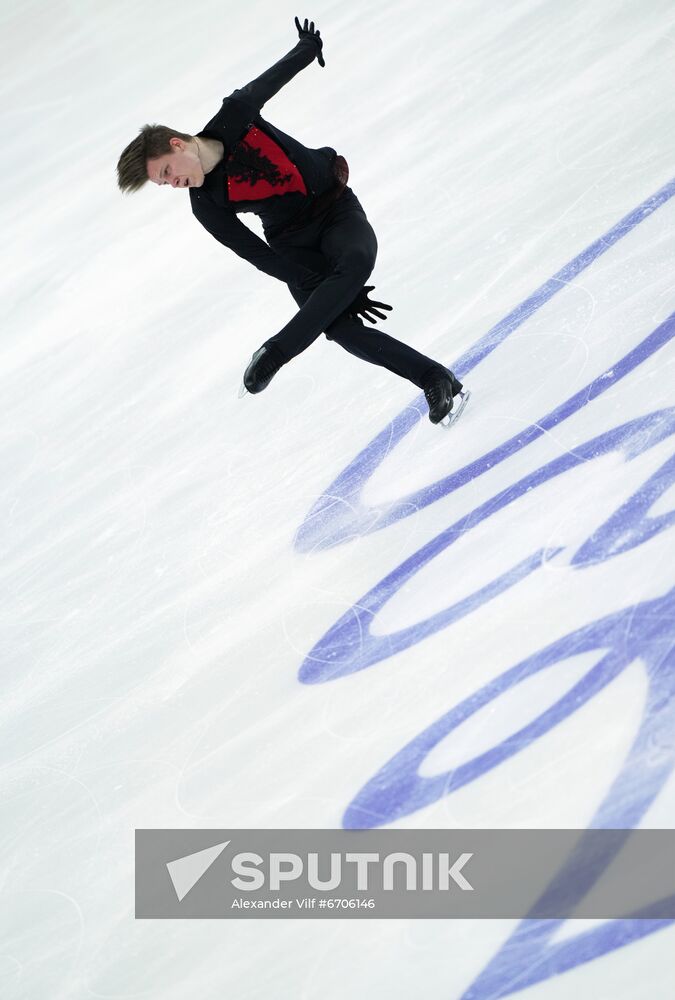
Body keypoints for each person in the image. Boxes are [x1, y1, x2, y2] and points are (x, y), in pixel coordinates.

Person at [116, 16, 466, 424]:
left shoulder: (235, 115)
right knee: (340, 328)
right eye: (164, 184)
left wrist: (307, 47)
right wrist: (316, 283)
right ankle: (434, 378)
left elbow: (272, 79)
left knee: (356, 260)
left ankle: (276, 353)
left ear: (177, 145)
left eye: (166, 173)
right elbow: (255, 253)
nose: (173, 184)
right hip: (292, 247)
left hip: (335, 211)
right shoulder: (205, 205)